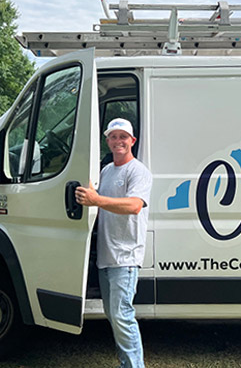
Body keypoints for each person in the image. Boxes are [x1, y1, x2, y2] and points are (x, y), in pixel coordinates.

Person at [75, 118, 152, 368]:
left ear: (132, 141)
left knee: (122, 315)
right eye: (113, 136)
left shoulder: (138, 171)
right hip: (107, 256)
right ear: (107, 141)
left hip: (125, 257)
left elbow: (134, 205)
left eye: (123, 136)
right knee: (114, 315)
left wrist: (96, 200)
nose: (118, 141)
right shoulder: (107, 170)